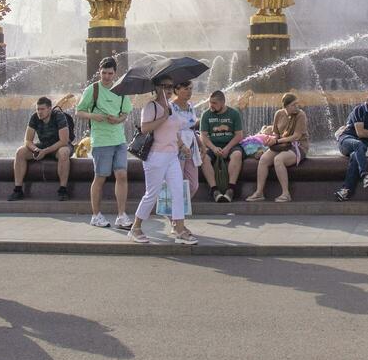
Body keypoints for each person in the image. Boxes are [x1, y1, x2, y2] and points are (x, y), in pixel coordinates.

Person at [128, 77, 196, 245]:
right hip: (155, 157)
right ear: (156, 88)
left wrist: (182, 146)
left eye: (170, 86)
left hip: (172, 155)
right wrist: (163, 117)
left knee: (178, 190)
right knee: (152, 194)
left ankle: (179, 228)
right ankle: (135, 227)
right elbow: (144, 128)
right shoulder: (151, 107)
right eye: (164, 86)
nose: (167, 89)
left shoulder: (172, 107)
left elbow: (175, 131)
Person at [77, 57, 134, 229]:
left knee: (122, 175)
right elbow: (79, 112)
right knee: (100, 177)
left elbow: (125, 113)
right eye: (104, 73)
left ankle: (122, 215)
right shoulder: (92, 89)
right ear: (99, 71)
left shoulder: (122, 90)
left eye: (110, 73)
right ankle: (96, 215)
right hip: (101, 140)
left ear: (115, 73)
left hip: (119, 139)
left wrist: (118, 120)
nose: (107, 77)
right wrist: (94, 116)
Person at [245, 93, 310, 202]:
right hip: (282, 146)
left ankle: (286, 194)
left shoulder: (300, 115)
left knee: (278, 159)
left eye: (297, 104)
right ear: (286, 106)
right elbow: (276, 133)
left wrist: (276, 140)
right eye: (293, 105)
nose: (296, 106)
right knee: (264, 160)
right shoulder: (279, 114)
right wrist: (270, 140)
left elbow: (296, 136)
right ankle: (259, 192)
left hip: (298, 146)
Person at [10, 96, 73, 200]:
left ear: (49, 109)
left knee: (64, 152)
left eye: (42, 109)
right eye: (38, 109)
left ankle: (63, 189)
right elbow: (28, 140)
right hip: (43, 145)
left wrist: (45, 151)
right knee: (20, 152)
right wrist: (35, 149)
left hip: (59, 146)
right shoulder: (34, 117)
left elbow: (64, 141)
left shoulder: (59, 116)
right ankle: (18, 189)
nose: (39, 112)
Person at [334, 89, 368, 201]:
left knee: (355, 155)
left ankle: (345, 191)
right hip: (346, 140)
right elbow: (361, 133)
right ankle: (366, 175)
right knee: (358, 144)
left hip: (361, 145)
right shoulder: (360, 110)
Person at [198, 90, 245, 202]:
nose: (211, 105)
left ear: (223, 102)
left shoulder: (234, 113)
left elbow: (239, 135)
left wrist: (228, 148)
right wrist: (213, 148)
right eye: (210, 102)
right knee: (204, 158)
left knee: (237, 154)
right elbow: (203, 136)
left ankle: (231, 189)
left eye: (214, 103)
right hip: (212, 146)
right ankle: (214, 190)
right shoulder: (206, 114)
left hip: (231, 145)